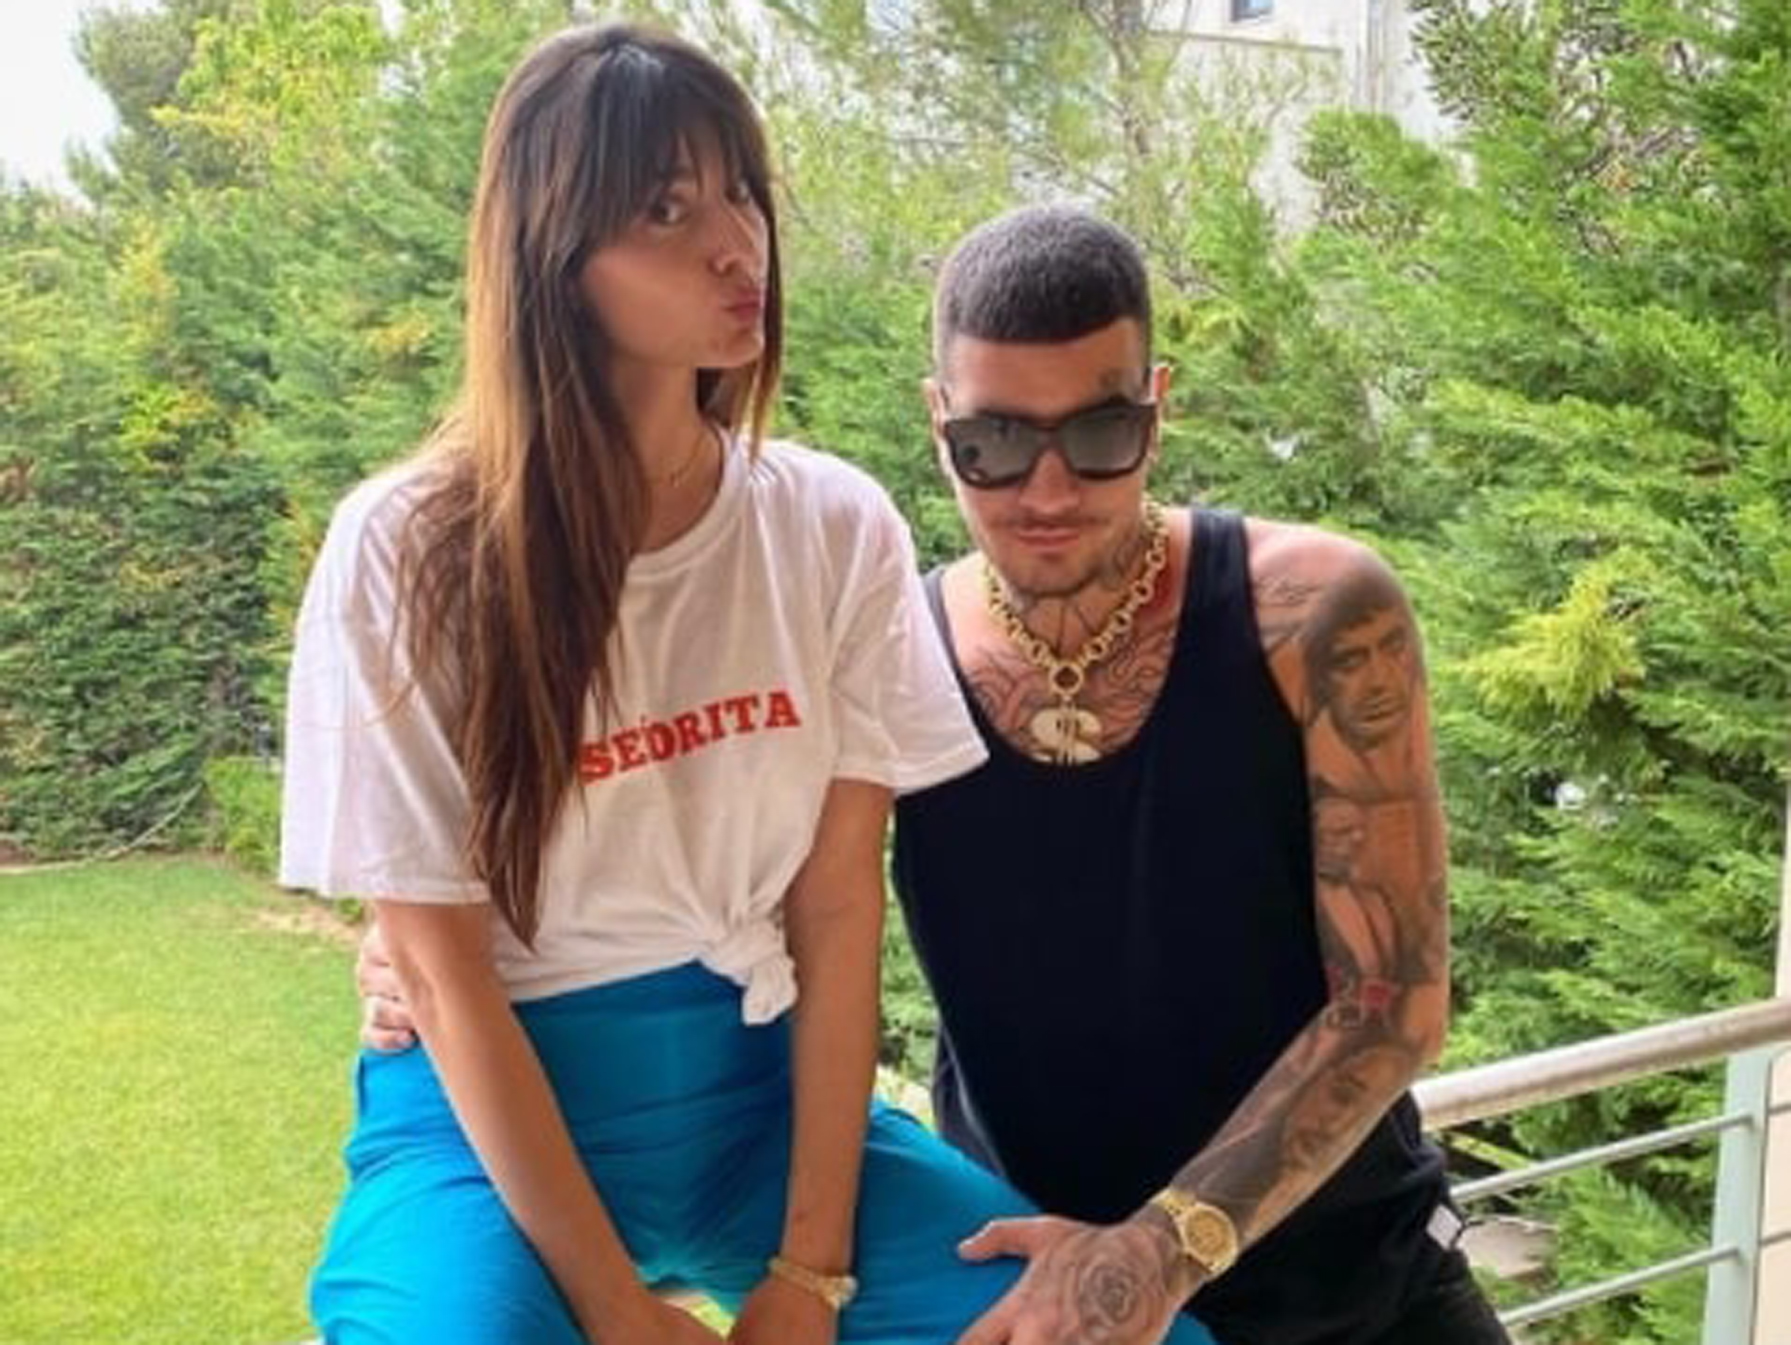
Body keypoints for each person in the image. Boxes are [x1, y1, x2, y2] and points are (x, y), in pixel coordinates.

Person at [356, 200, 1507, 1343]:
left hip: (1358, 1286)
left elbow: (1392, 1004)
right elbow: (719, 847)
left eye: (1098, 434)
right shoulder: (893, 646)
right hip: (1026, 1284)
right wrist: (431, 944)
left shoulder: (1309, 611)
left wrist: (1160, 1248)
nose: (1046, 491)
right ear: (938, 423)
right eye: (993, 444)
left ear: (1157, 412)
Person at [279, 29, 1219, 1345]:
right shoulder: (411, 550)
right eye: (668, 210)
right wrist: (617, 1311)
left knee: (1110, 1332)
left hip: (757, 1105)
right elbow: (438, 971)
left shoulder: (829, 523)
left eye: (739, 193)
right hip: (480, 1130)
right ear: (553, 255)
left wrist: (810, 1273)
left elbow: (836, 906)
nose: (738, 246)